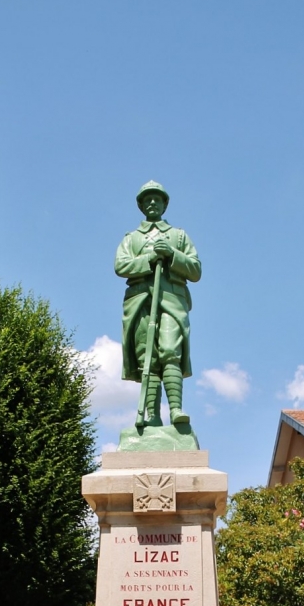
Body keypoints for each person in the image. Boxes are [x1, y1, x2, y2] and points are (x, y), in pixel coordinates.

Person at [115, 181, 201, 426]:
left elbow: (195, 270)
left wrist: (172, 255)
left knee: (170, 351)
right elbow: (120, 266)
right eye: (147, 199)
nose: (152, 203)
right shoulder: (130, 239)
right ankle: (152, 417)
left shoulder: (179, 236)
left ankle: (176, 411)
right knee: (147, 358)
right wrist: (150, 258)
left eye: (157, 199)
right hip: (140, 300)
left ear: (165, 203)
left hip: (171, 300)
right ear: (141, 205)